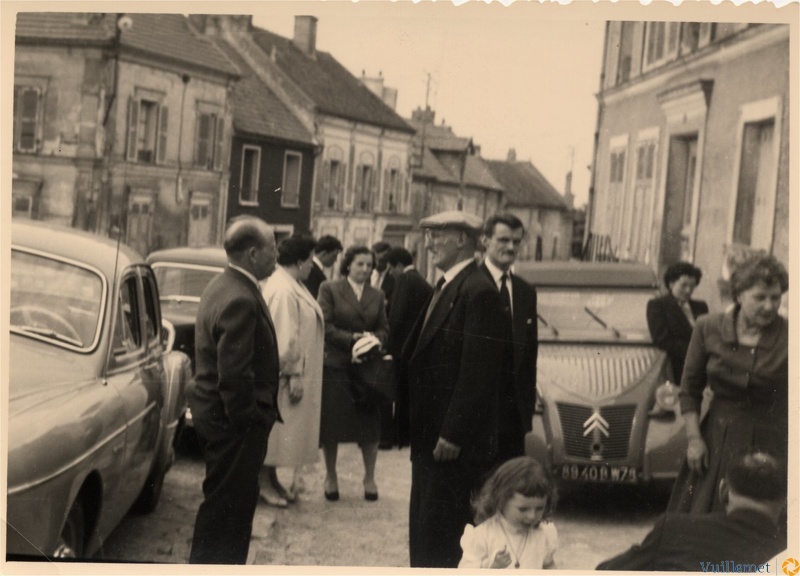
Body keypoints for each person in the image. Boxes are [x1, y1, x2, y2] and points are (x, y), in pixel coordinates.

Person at [398, 210, 507, 568]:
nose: (429, 242)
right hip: (432, 437)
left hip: (451, 444)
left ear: (463, 239)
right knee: (427, 529)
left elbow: (479, 372)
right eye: (428, 234)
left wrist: (454, 432)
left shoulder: (477, 292)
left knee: (443, 535)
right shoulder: (449, 285)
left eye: (437, 235)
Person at [188, 216, 280, 565]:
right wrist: (251, 422)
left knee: (223, 510)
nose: (277, 255)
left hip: (221, 422)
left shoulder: (223, 284)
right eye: (273, 248)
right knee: (229, 515)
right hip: (234, 429)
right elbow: (234, 375)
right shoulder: (241, 297)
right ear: (253, 253)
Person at [667, 254, 788, 515]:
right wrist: (694, 440)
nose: (769, 306)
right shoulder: (707, 327)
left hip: (773, 444)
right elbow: (689, 390)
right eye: (760, 297)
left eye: (776, 297)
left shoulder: (792, 336)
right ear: (739, 294)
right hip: (717, 442)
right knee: (706, 519)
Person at [597, 451, 787, 571]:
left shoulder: (673, 530)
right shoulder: (789, 556)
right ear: (786, 502)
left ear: (723, 491)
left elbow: (606, 570)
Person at [317, 245, 390, 501]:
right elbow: (324, 326)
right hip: (337, 365)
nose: (365, 269)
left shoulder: (377, 295)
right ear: (348, 264)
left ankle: (369, 477)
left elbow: (384, 328)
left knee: (370, 425)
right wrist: (352, 339)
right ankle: (331, 475)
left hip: (367, 369)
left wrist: (374, 339)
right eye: (360, 264)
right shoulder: (330, 289)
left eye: (369, 265)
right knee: (333, 424)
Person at [258, 234, 325, 508]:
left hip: (296, 372)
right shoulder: (284, 289)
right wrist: (293, 374)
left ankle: (271, 478)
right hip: (286, 376)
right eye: (310, 260)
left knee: (282, 433)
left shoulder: (291, 283)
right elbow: (285, 336)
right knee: (276, 432)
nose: (312, 265)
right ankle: (262, 482)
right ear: (299, 261)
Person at [480, 214, 538, 463]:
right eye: (503, 240)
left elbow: (529, 355)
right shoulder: (470, 284)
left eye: (516, 241)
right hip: (477, 415)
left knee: (509, 489)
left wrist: (526, 410)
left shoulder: (525, 291)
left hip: (513, 418)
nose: (511, 247)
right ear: (485, 240)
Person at [459, 456, 558, 569]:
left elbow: (548, 565)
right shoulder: (483, 535)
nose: (532, 516)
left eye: (539, 508)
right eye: (523, 509)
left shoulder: (543, 533)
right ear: (501, 501)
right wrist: (490, 565)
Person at [382, 246, 433, 450]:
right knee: (410, 392)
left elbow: (397, 314)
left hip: (402, 345)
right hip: (416, 346)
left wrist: (387, 342)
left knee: (401, 392)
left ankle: (399, 435)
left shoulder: (404, 279)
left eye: (391, 268)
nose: (390, 273)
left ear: (399, 265)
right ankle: (408, 434)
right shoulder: (420, 280)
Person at [646, 262, 709, 383]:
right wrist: (695, 352)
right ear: (671, 284)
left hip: (702, 370)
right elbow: (661, 340)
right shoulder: (658, 306)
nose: (688, 290)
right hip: (676, 369)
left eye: (692, 286)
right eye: (683, 285)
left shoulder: (701, 307)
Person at [304, 235, 343, 299]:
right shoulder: (312, 271)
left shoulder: (312, 269)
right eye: (334, 256)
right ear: (324, 254)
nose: (335, 260)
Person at [371, 241, 395, 311]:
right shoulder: (366, 276)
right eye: (375, 259)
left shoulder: (394, 278)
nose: (377, 263)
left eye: (381, 260)